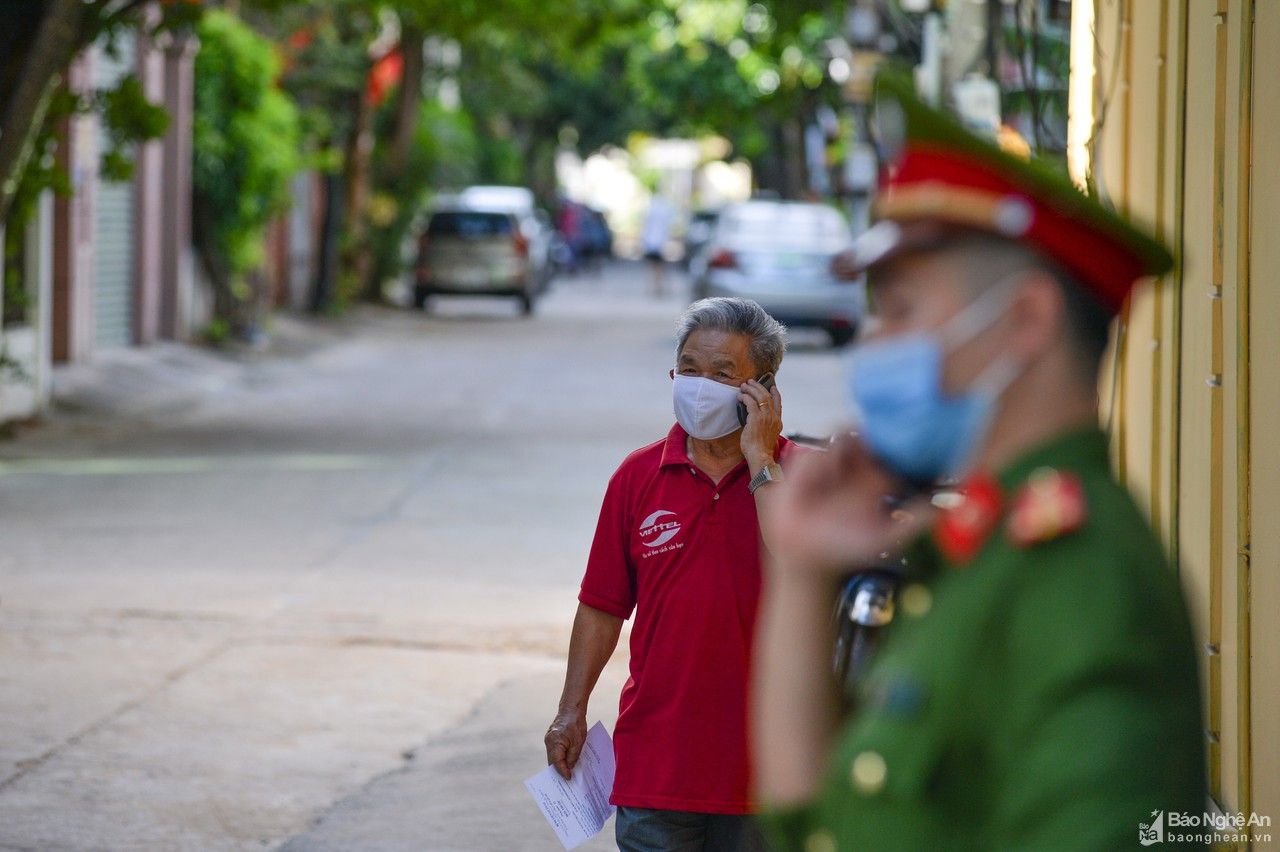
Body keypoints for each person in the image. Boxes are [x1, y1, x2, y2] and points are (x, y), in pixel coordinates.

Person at [752, 72, 1205, 850]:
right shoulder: (980, 554)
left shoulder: (1083, 584)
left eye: (900, 312)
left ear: (1024, 320)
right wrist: (799, 572)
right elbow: (813, 828)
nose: (876, 347)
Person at [545, 297, 798, 852]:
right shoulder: (638, 476)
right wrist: (571, 711)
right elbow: (602, 606)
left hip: (771, 775)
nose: (699, 385)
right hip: (656, 770)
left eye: (722, 374)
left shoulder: (805, 478)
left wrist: (762, 461)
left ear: (764, 389)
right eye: (688, 369)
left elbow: (797, 556)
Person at [641, 194, 674, 296]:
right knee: (658, 266)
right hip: (658, 243)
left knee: (654, 266)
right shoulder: (662, 213)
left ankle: (655, 287)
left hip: (653, 243)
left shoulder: (651, 213)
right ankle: (657, 287)